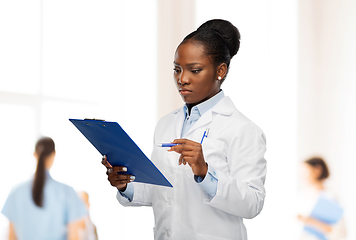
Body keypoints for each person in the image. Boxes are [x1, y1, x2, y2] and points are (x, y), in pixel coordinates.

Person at [102, 19, 267, 240]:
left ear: (221, 71)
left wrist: (205, 172)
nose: (182, 79)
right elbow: (162, 191)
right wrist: (125, 184)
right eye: (177, 69)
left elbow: (253, 203)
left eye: (195, 70)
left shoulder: (242, 129)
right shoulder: (166, 124)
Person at [1, 137, 87, 240]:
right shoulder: (67, 192)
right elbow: (74, 237)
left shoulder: (16, 192)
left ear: (34, 155)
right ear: (54, 155)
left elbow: (11, 236)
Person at [297, 157, 347, 240]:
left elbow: (341, 233)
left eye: (305, 172)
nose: (302, 176)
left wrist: (311, 221)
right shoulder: (302, 195)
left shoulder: (330, 197)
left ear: (318, 170)